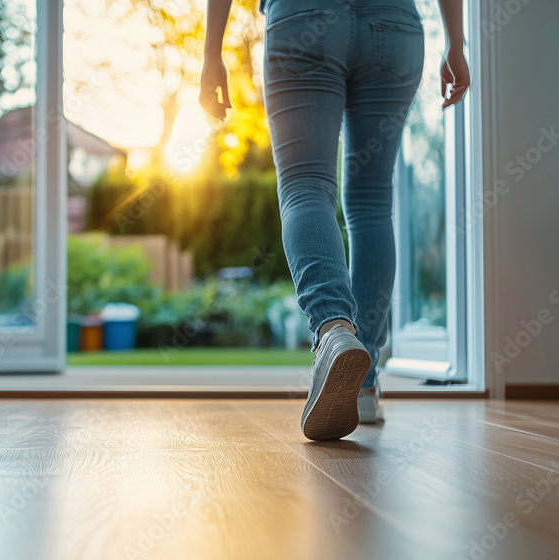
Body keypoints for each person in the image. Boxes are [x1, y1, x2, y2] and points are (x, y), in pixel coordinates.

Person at [200, 0, 469, 440]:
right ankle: (364, 385)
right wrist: (455, 41)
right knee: (372, 202)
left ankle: (333, 330)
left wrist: (213, 52)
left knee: (306, 185)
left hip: (305, 17)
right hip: (394, 24)